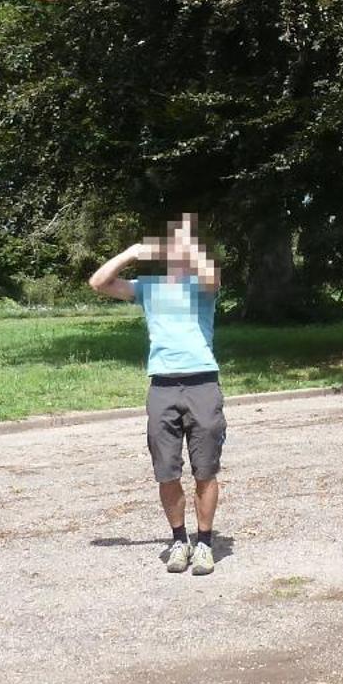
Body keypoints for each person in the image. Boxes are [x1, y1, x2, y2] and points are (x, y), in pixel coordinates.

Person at [88, 214, 225, 576]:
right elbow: (99, 283)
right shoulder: (148, 286)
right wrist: (132, 251)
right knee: (166, 471)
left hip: (202, 383)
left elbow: (212, 276)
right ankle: (179, 540)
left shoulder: (203, 284)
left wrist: (188, 243)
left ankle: (205, 544)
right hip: (162, 386)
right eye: (172, 246)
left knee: (205, 470)